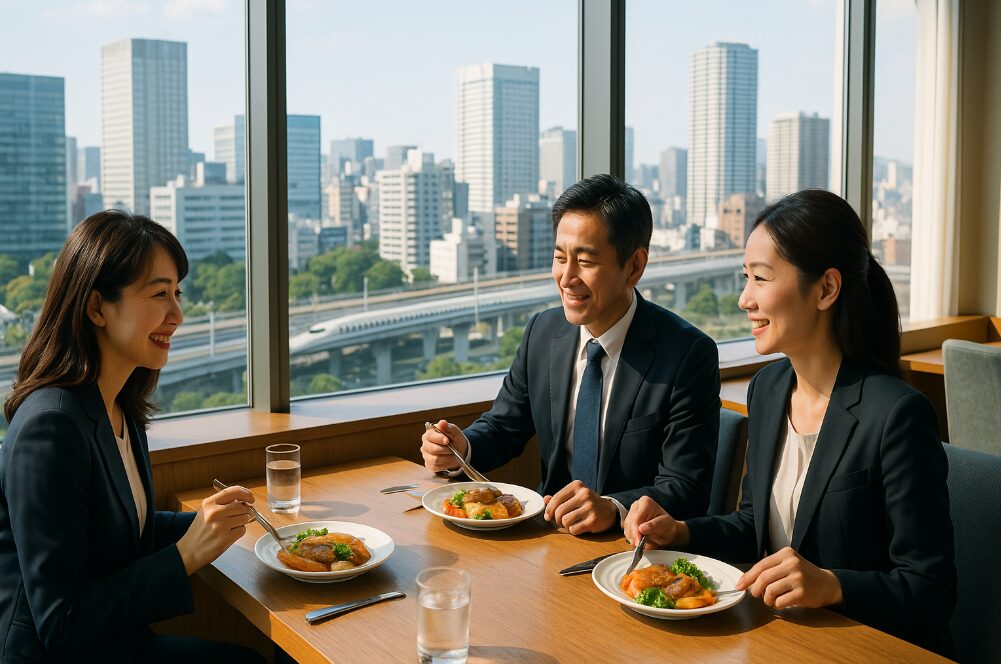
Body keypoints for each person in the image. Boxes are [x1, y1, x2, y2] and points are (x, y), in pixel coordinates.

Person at [623, 189, 956, 655]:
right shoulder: (769, 388)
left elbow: (930, 595)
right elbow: (755, 525)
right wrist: (681, 531)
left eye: (760, 278)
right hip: (782, 640)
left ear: (825, 289)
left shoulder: (898, 416)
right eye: (746, 278)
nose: (744, 299)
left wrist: (832, 585)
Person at [0, 211, 266, 663]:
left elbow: (119, 532)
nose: (178, 314)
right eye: (160, 293)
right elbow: (60, 621)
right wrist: (185, 554)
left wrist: (218, 523)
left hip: (113, 641)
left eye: (177, 293)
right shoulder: (51, 427)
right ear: (96, 306)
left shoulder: (118, 404)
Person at [421, 174, 720, 535]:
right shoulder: (542, 333)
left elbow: (687, 487)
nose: (566, 277)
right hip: (547, 537)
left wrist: (613, 508)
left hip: (628, 553)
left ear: (635, 266)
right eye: (560, 257)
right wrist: (460, 447)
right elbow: (504, 426)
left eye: (586, 261)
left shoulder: (687, 355)